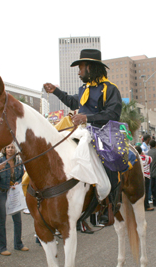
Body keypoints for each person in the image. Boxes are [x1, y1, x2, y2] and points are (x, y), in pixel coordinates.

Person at [43, 48, 122, 194]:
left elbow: (113, 114)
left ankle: (110, 202)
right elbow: (73, 102)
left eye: (80, 68)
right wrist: (56, 91)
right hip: (82, 132)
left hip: (103, 135)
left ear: (90, 67)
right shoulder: (83, 89)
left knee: (108, 162)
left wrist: (86, 118)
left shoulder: (110, 89)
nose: (79, 73)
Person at [0, 144, 28, 256]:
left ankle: (18, 244)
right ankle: (1, 247)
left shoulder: (18, 162)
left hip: (14, 193)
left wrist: (17, 181)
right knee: (1, 220)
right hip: (1, 192)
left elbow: (21, 175)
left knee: (17, 220)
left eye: (12, 147)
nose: (10, 149)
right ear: (4, 149)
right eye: (8, 147)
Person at [135, 146, 154, 211]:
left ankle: (138, 206)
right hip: (146, 176)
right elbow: (151, 160)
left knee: (138, 192)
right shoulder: (146, 158)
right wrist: (143, 154)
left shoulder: (135, 158)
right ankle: (146, 205)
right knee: (146, 191)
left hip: (138, 177)